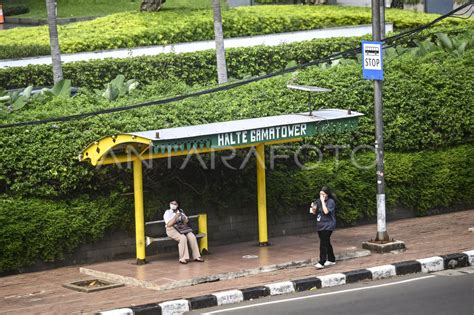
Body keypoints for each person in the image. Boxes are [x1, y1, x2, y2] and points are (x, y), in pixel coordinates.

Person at [163, 200, 204, 264]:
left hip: (182, 228)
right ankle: (183, 258)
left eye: (175, 203)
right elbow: (169, 224)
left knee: (192, 236)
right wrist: (176, 216)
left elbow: (186, 222)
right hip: (171, 229)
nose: (173, 205)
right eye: (172, 203)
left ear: (178, 205)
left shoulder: (181, 211)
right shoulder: (167, 212)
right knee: (182, 237)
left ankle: (196, 256)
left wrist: (183, 218)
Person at [310, 186, 336, 269]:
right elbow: (313, 212)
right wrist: (313, 208)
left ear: (327, 194)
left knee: (323, 243)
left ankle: (322, 262)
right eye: (320, 194)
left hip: (328, 225)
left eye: (323, 194)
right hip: (320, 225)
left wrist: (322, 201)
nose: (321, 196)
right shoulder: (318, 201)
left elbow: (326, 211)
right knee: (326, 242)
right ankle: (332, 259)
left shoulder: (331, 202)